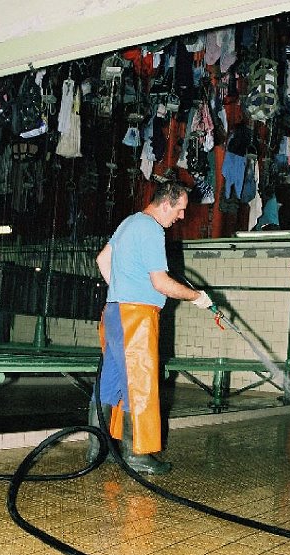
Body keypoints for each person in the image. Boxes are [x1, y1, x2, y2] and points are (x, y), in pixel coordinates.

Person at [88, 181, 213, 475]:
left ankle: (99, 449)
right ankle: (137, 454)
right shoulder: (152, 229)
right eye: (180, 210)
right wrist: (197, 297)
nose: (181, 217)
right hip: (136, 317)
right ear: (166, 204)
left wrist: (122, 289)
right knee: (141, 384)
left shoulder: (129, 222)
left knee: (110, 383)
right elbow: (161, 283)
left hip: (115, 311)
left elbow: (102, 259)